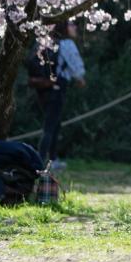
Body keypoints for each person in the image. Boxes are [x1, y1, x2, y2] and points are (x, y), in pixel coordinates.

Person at [34, 20, 86, 169]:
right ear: (64, 27)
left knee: (54, 124)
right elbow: (76, 66)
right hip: (58, 87)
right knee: (50, 126)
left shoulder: (47, 43)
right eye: (71, 24)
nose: (75, 27)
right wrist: (80, 78)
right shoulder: (67, 44)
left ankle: (52, 159)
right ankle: (41, 161)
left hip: (43, 88)